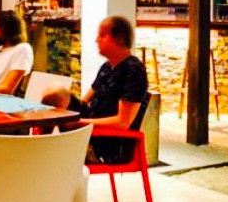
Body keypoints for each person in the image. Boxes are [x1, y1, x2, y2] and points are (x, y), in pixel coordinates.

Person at [42, 16, 149, 164]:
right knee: (55, 92)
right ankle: (42, 144)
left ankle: (43, 151)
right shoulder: (107, 67)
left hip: (109, 143)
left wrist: (79, 122)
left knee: (60, 111)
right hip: (91, 128)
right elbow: (85, 101)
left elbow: (123, 122)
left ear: (119, 39)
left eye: (102, 35)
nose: (96, 40)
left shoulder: (133, 70)